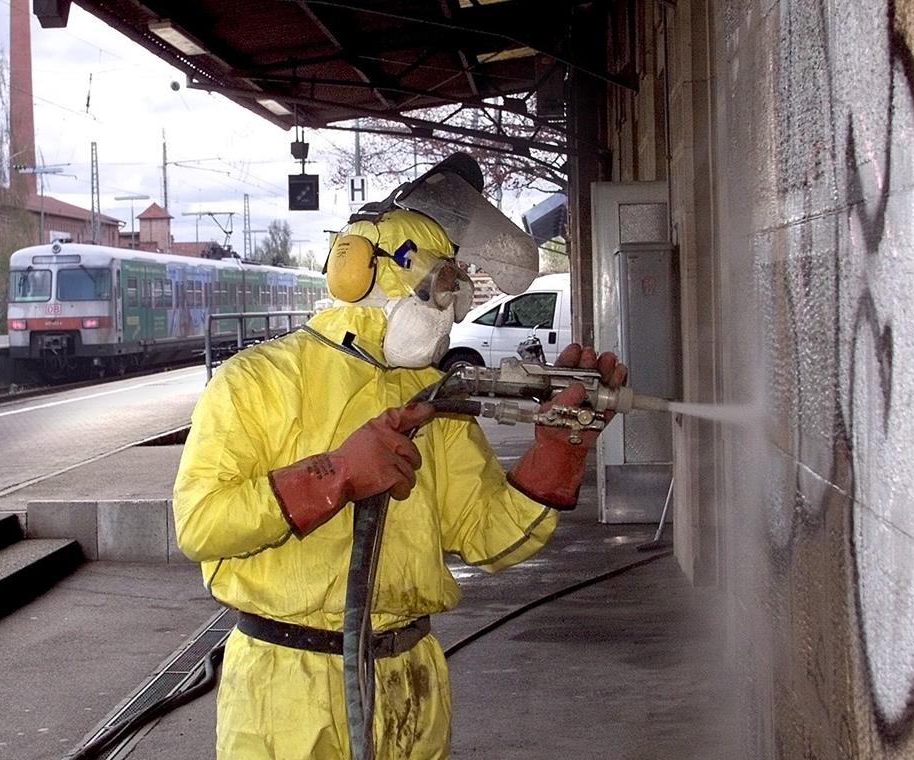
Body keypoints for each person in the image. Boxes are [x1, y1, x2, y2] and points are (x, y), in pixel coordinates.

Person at [172, 154, 628, 759]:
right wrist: (334, 475)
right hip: (285, 688)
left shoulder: (433, 403)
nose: (449, 315)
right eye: (437, 290)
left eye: (453, 293)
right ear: (361, 273)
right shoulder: (256, 382)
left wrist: (558, 453)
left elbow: (488, 537)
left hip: (410, 679)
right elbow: (200, 524)